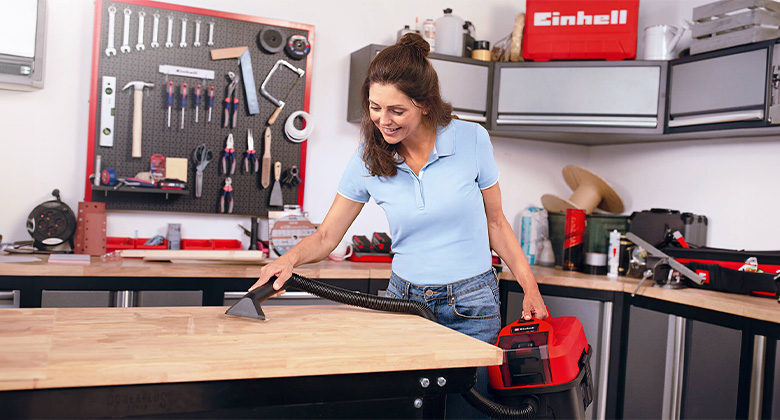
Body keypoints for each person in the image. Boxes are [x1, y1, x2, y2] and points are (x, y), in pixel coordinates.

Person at [252, 32, 547, 416]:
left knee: (467, 412)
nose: (382, 120)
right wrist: (287, 261)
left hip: (472, 305)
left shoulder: (471, 140)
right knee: (404, 411)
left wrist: (530, 288)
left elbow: (497, 223)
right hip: (404, 302)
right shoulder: (368, 156)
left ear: (425, 104)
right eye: (375, 107)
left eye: (396, 110)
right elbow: (326, 236)